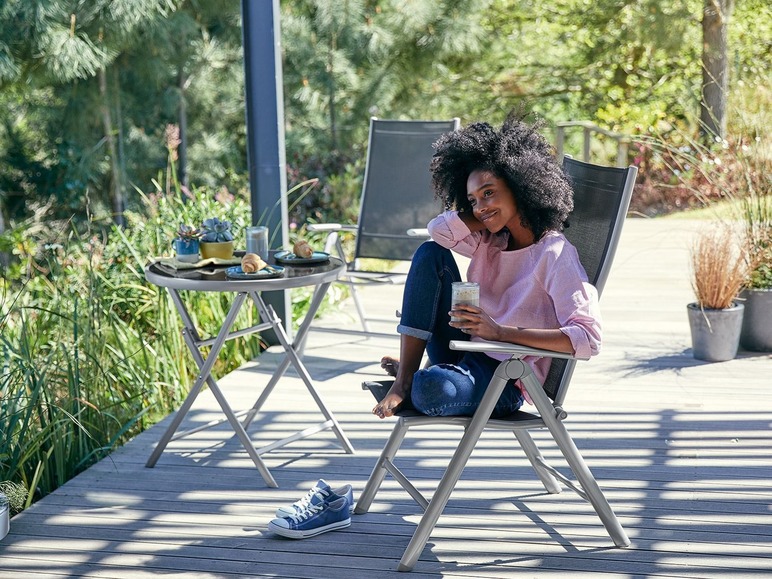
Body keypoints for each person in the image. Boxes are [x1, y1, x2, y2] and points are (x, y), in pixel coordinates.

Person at [372, 112, 602, 419]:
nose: (481, 207)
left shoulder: (555, 253)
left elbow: (587, 338)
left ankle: (421, 378)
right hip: (464, 349)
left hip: (505, 376)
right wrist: (483, 212)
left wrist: (499, 332)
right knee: (429, 254)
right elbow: (438, 231)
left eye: (489, 193)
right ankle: (405, 379)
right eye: (473, 200)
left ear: (521, 185)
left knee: (432, 391)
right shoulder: (489, 241)